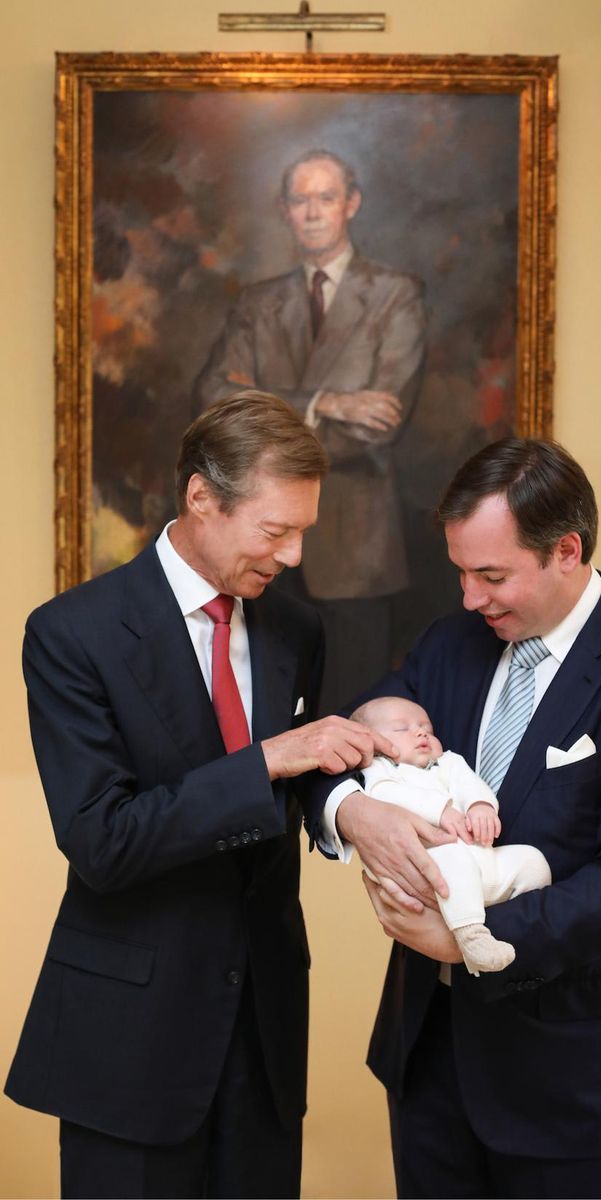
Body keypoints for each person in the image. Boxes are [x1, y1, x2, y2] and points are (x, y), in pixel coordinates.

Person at [4, 391, 404, 1200]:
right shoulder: (69, 633)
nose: (292, 556)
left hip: (263, 1035)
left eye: (304, 531)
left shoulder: (297, 629)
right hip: (127, 1045)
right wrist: (266, 759)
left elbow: (301, 783)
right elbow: (102, 841)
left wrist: (355, 801)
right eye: (274, 530)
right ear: (200, 499)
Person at [312, 437, 601, 1199]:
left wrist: (472, 939)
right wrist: (355, 810)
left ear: (566, 551)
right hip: (427, 1058)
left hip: (575, 1080)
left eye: (491, 575)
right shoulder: (449, 642)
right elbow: (340, 741)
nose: (469, 598)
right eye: (460, 572)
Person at [193, 149, 426, 712]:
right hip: (255, 548)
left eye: (326, 197)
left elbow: (378, 428)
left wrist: (265, 425)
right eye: (300, 199)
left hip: (355, 552)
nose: (313, 211)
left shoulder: (396, 294)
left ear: (352, 203)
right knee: (264, 723)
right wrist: (330, 401)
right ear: (285, 210)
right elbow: (212, 400)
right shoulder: (257, 303)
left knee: (354, 725)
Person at [353, 696, 551, 973]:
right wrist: (441, 811)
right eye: (401, 729)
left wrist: (480, 806)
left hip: (482, 864)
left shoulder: (449, 762)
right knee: (452, 856)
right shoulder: (379, 769)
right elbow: (384, 795)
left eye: (426, 728)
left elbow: (471, 785)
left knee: (532, 859)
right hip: (427, 867)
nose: (421, 732)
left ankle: (506, 924)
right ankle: (471, 936)